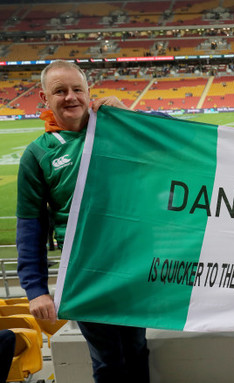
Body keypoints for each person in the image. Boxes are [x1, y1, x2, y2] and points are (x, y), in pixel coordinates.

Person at [16, 60, 150, 383]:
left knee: (137, 354)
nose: (70, 97)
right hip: (85, 275)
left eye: (77, 89)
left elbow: (171, 136)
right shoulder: (37, 155)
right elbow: (30, 229)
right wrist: (36, 290)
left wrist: (130, 116)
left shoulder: (115, 129)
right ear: (44, 99)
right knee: (108, 363)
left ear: (89, 92)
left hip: (131, 269)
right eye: (59, 91)